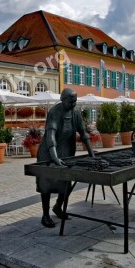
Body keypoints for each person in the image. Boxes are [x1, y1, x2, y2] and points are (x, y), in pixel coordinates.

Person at [36, 88, 95, 228]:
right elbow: (50, 135)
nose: (74, 104)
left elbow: (83, 133)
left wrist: (92, 154)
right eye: (71, 101)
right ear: (63, 100)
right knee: (47, 183)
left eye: (75, 101)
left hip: (67, 150)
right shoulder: (54, 113)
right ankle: (45, 215)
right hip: (48, 151)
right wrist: (55, 158)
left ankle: (58, 207)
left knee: (66, 182)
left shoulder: (76, 114)